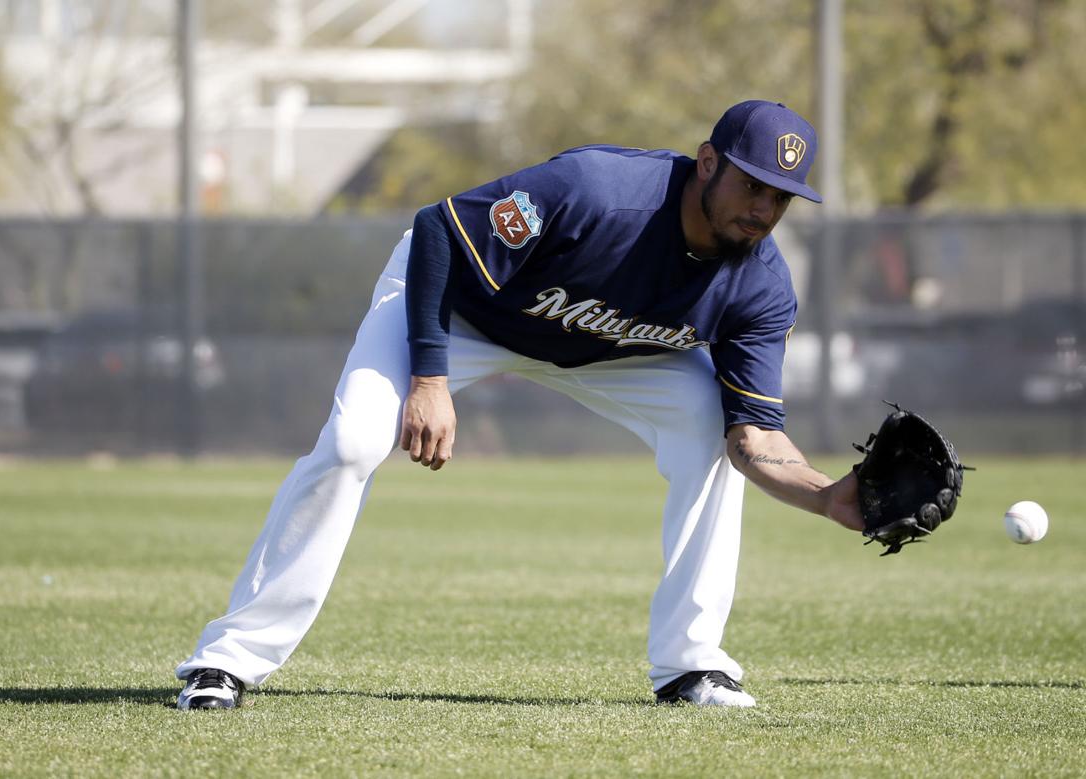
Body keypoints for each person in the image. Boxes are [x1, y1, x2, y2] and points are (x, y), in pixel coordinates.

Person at [175, 99, 865, 711]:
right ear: (708, 162)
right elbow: (439, 232)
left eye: (781, 197)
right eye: (752, 184)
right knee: (355, 440)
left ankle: (691, 665)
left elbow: (756, 436)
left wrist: (827, 495)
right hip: (462, 310)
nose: (764, 209)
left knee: (709, 425)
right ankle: (228, 658)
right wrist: (429, 379)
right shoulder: (598, 190)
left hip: (601, 349)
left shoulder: (762, 286)